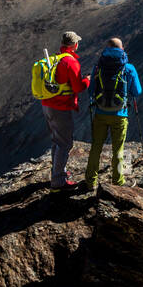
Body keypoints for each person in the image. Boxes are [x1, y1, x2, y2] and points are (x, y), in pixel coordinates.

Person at [83, 38, 143, 189]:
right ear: (122, 49)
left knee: (96, 147)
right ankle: (118, 181)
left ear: (107, 49)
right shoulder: (128, 68)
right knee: (118, 148)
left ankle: (90, 181)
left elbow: (91, 91)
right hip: (120, 115)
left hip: (100, 114)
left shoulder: (98, 67)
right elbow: (137, 91)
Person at [40, 30, 89, 189]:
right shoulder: (70, 62)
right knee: (65, 143)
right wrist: (87, 80)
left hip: (47, 104)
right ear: (74, 45)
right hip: (60, 107)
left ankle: (57, 173)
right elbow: (78, 86)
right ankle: (58, 180)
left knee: (57, 140)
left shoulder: (55, 58)